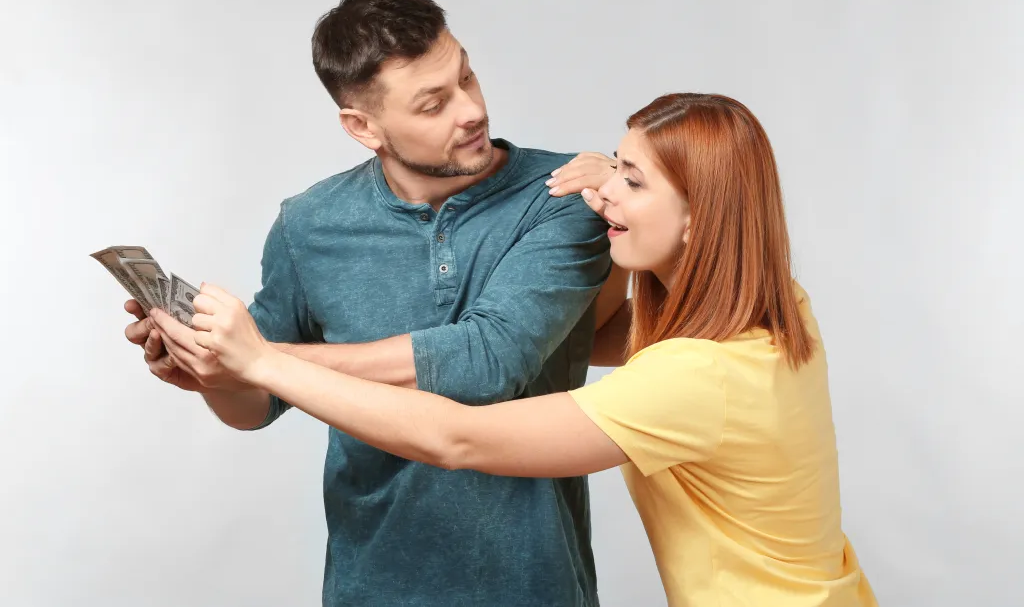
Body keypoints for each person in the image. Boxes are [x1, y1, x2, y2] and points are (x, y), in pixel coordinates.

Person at [152, 92, 879, 607]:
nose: (603, 188)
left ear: (700, 217)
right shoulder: (775, 308)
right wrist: (615, 207)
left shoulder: (697, 377)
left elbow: (457, 437)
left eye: (632, 179)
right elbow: (604, 335)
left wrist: (266, 360)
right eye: (612, 165)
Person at [124, 0, 627, 606]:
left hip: (532, 585)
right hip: (371, 585)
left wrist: (260, 356)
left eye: (467, 77)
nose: (469, 110)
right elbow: (255, 407)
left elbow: (488, 362)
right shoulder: (307, 224)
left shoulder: (564, 197)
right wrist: (208, 370)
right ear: (363, 127)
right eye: (433, 104)